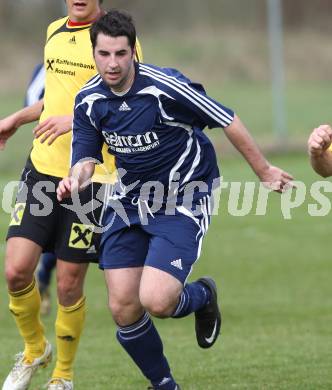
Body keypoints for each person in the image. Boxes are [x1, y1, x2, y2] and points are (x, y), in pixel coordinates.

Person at [57, 10, 294, 390]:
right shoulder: (88, 99)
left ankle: (202, 296)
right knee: (122, 306)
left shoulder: (164, 88)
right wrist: (75, 179)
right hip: (130, 199)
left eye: (121, 54)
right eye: (104, 54)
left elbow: (226, 118)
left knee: (157, 301)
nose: (113, 63)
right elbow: (86, 156)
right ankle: (165, 385)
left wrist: (264, 171)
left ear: (133, 52)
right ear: (94, 52)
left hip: (184, 195)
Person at [0, 2, 143, 390]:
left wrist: (78, 119)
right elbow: (56, 100)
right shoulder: (53, 32)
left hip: (91, 178)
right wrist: (16, 118)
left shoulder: (115, 40)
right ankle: (34, 350)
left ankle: (63, 376)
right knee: (15, 270)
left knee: (67, 283)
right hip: (43, 169)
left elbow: (129, 100)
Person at [23, 62, 57, 316]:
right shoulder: (50, 63)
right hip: (52, 161)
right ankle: (43, 275)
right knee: (56, 229)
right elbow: (32, 99)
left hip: (96, 160)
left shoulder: (104, 61)